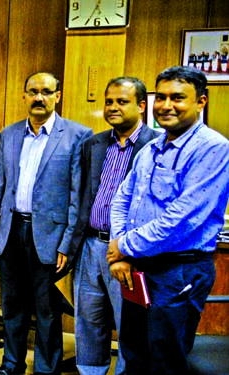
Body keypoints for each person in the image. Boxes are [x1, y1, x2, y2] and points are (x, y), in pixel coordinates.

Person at [108, 66, 229, 375]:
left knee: (165, 361)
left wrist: (125, 246)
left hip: (179, 270)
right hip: (139, 266)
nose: (166, 105)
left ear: (201, 101)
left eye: (178, 97)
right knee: (133, 353)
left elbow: (182, 219)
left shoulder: (213, 149)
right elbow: (123, 199)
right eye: (160, 97)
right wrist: (121, 250)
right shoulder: (150, 148)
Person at [0, 72, 91, 375]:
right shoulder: (11, 134)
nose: (39, 97)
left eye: (46, 91)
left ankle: (46, 369)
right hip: (12, 229)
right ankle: (11, 364)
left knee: (46, 310)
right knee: (12, 306)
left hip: (51, 236)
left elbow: (77, 196)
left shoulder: (78, 135)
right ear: (24, 95)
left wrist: (68, 243)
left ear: (58, 96)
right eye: (33, 91)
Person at [71, 77, 158, 375]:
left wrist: (128, 251)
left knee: (129, 325)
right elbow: (83, 196)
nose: (113, 107)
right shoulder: (94, 144)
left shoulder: (156, 146)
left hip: (128, 253)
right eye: (109, 102)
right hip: (90, 247)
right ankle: (89, 371)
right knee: (88, 320)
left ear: (141, 105)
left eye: (122, 102)